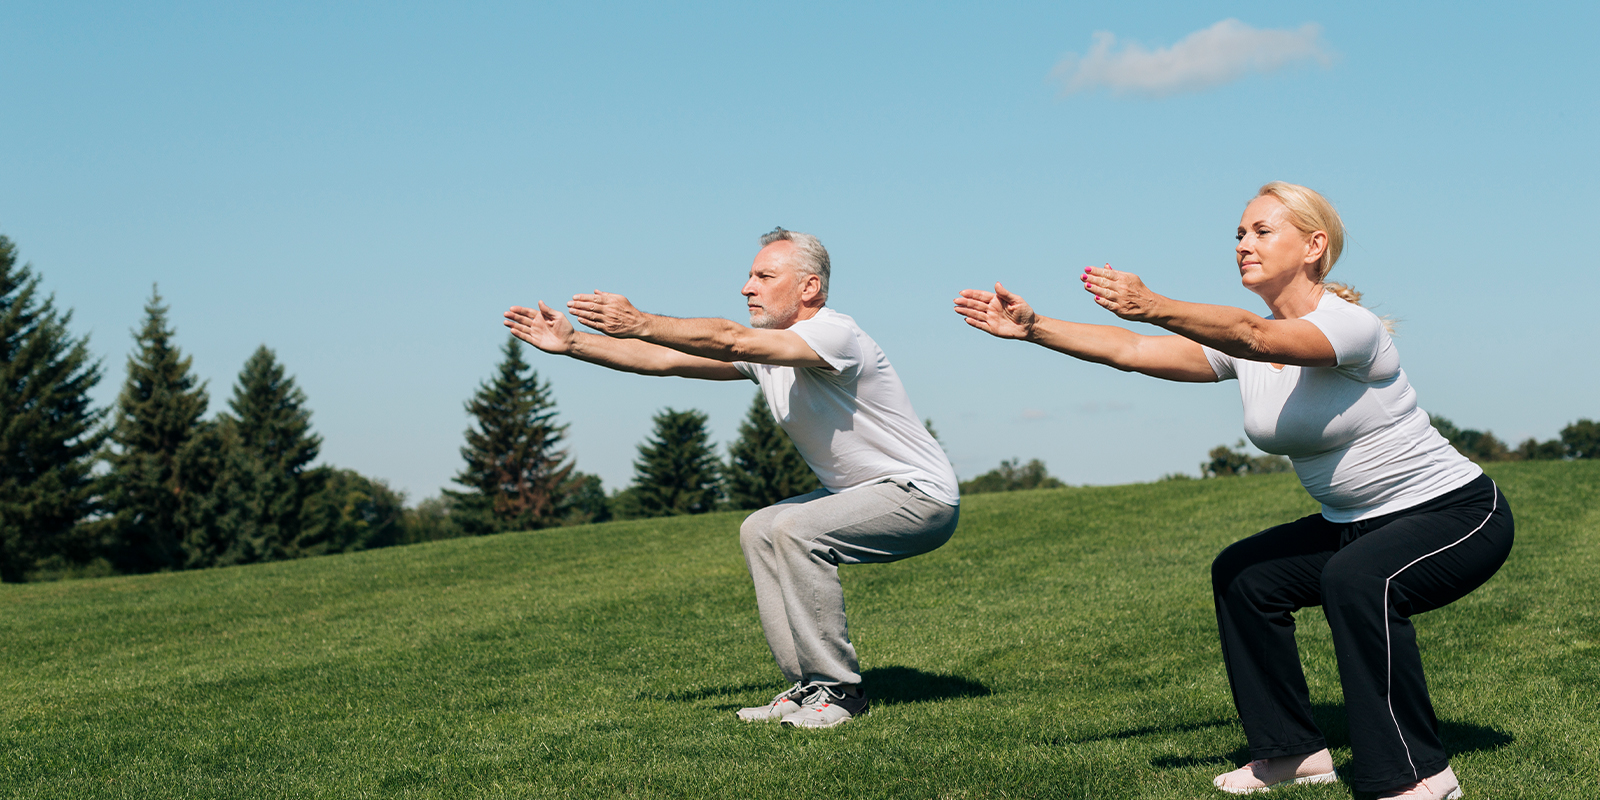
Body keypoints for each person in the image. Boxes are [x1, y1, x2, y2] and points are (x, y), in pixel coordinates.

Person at [953, 182, 1511, 800]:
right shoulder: (1246, 343)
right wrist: (1034, 327)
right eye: (1239, 234)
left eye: (1262, 231)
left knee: (1357, 580)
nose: (1244, 244)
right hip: (1352, 523)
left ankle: (1420, 776)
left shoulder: (1349, 327)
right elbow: (1134, 349)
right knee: (1246, 575)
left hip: (1455, 513)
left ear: (1314, 246)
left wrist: (1154, 303)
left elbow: (1254, 336)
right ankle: (1292, 751)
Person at [505, 227, 960, 729]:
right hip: (861, 495)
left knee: (796, 529)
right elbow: (665, 359)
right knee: (760, 527)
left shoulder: (836, 334)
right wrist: (573, 343)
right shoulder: (768, 356)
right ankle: (809, 686)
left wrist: (640, 321)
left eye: (765, 276)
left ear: (809, 287)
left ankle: (841, 693)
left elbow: (729, 338)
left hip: (920, 496)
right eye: (749, 276)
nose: (747, 288)